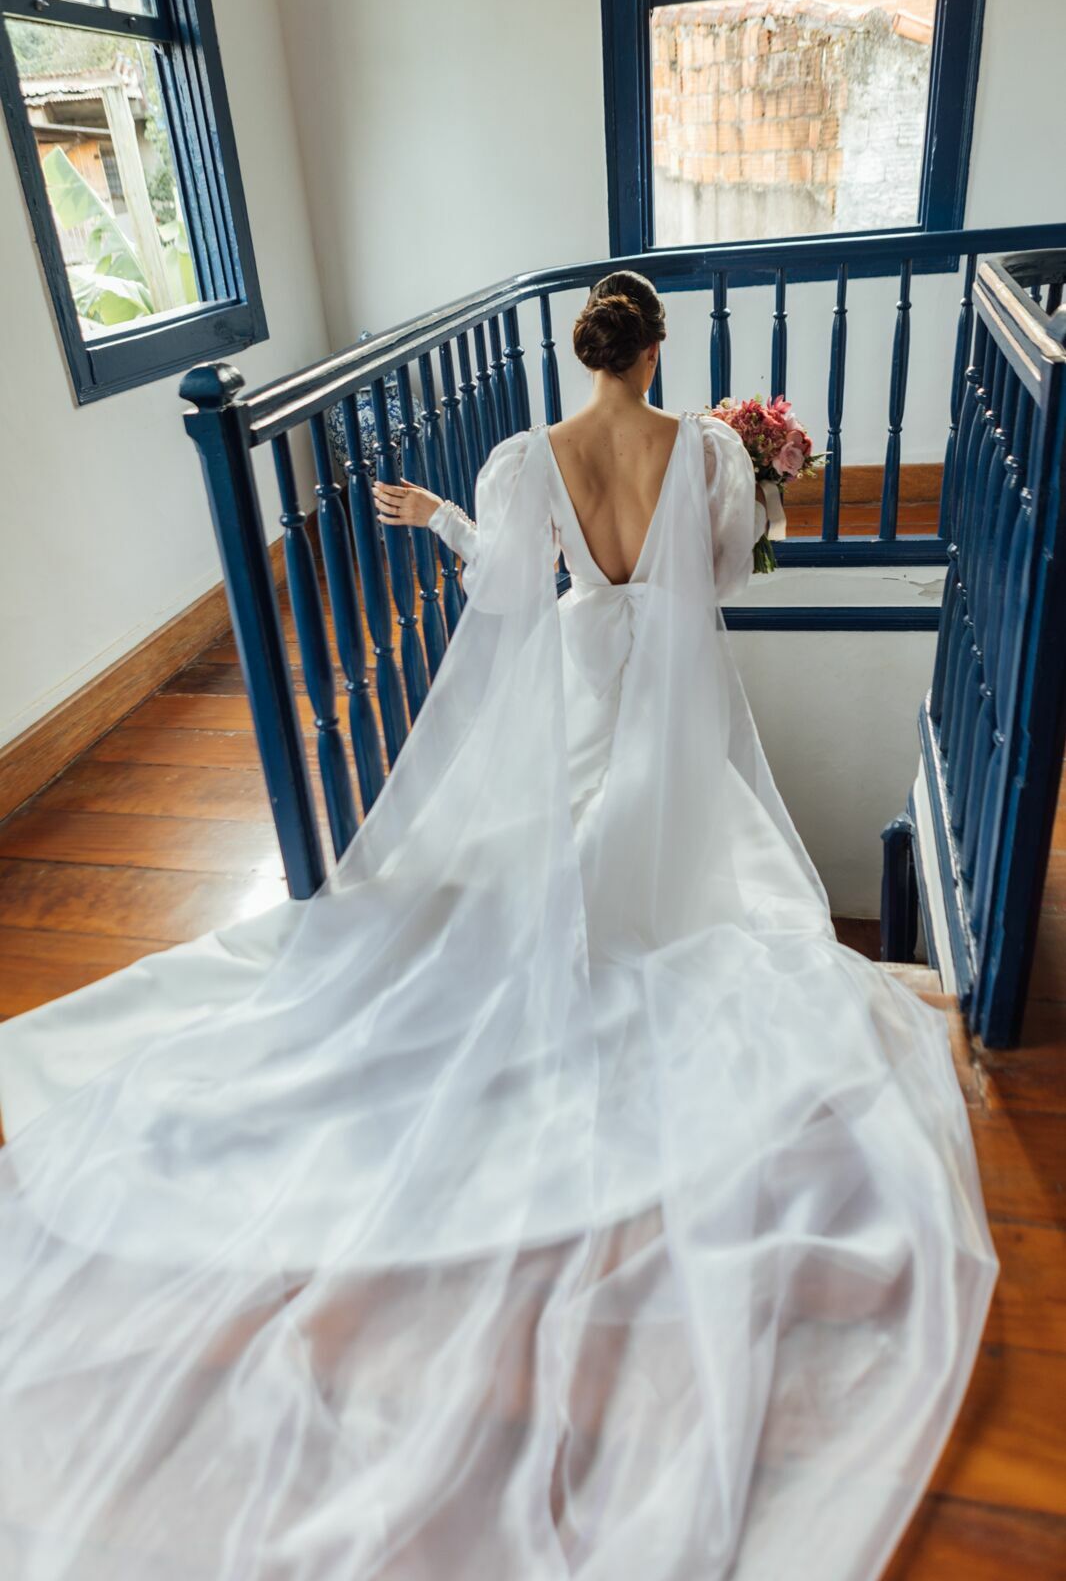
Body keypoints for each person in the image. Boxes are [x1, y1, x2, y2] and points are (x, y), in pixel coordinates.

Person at [0, 272, 995, 1581]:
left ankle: (541, 955)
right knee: (702, 877)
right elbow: (726, 577)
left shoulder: (529, 457)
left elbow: (511, 600)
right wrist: (761, 491)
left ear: (583, 351)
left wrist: (451, 524)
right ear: (657, 351)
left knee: (550, 847)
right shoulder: (705, 450)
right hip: (676, 704)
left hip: (588, 674)